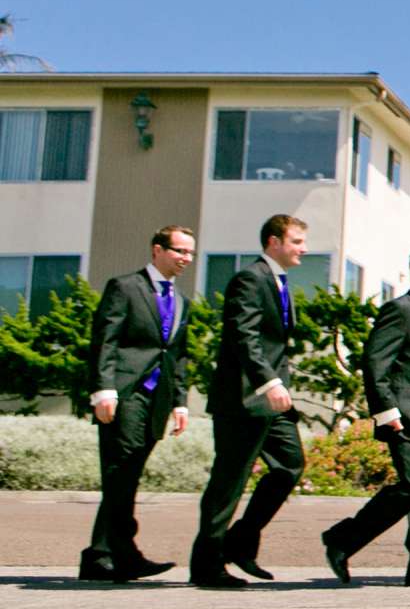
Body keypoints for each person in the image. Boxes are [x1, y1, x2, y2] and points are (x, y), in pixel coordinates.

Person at [322, 244, 410, 586]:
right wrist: (385, 410)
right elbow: (375, 361)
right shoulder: (399, 310)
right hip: (406, 416)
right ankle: (343, 539)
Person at [192, 214, 310, 588]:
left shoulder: (279, 283)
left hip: (273, 402)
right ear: (274, 242)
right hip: (243, 398)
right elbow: (244, 336)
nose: (303, 249)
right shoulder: (250, 279)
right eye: (296, 241)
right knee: (229, 482)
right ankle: (206, 564)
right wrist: (269, 382)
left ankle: (240, 541)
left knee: (290, 467)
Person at [83, 225, 197, 582]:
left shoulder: (181, 302)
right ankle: (124, 554)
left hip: (157, 400)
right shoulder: (125, 287)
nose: (186, 259)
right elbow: (106, 340)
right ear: (157, 250)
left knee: (125, 477)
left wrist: (180, 402)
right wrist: (103, 390)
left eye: (190, 253)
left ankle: (98, 557)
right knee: (122, 472)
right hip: (125, 393)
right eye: (179, 251)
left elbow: (176, 356)